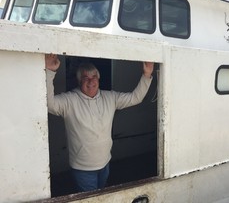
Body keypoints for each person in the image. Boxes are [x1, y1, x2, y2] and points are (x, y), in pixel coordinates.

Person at [45, 54, 154, 192]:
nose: (90, 81)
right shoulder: (69, 101)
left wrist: (146, 74)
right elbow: (49, 104)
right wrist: (50, 72)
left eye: (94, 77)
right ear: (79, 81)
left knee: (102, 194)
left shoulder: (110, 97)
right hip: (83, 169)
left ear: (99, 79)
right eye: (85, 78)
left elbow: (135, 98)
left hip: (105, 163)